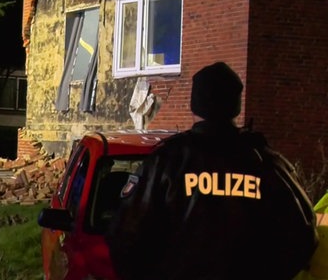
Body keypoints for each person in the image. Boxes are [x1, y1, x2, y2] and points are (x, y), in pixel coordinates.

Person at [106, 62, 318, 280]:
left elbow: (125, 235)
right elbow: (302, 237)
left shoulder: (167, 162)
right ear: (235, 105)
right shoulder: (265, 164)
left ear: (194, 104)